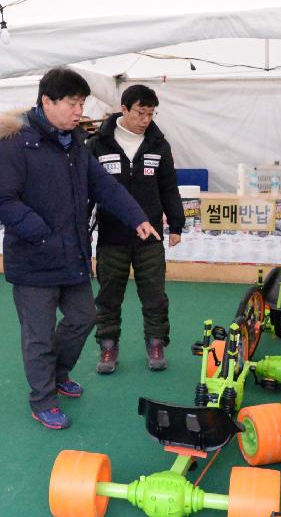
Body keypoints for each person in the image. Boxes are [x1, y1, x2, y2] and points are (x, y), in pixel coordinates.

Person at [0, 68, 160, 430]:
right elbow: (0, 199)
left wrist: (136, 217)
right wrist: (41, 233)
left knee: (84, 318)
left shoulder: (75, 145)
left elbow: (104, 186)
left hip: (71, 253)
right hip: (34, 258)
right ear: (47, 101)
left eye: (82, 103)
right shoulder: (16, 143)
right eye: (71, 103)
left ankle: (58, 374)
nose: (79, 110)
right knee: (38, 335)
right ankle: (42, 399)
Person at [86, 85, 184, 373]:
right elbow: (87, 192)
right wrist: (80, 228)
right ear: (124, 108)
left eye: (151, 114)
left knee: (154, 295)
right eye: (141, 112)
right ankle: (107, 347)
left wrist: (176, 223)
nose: (146, 119)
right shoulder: (97, 145)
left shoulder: (158, 145)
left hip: (150, 237)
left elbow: (169, 188)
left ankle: (156, 343)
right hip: (111, 238)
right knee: (108, 296)